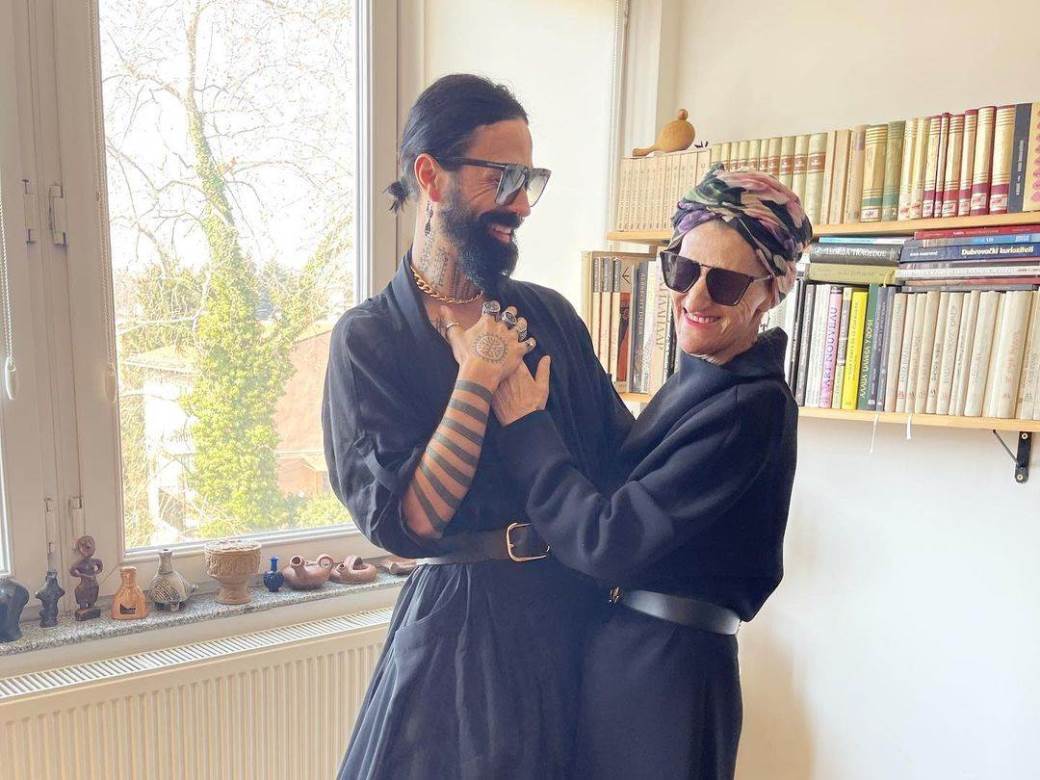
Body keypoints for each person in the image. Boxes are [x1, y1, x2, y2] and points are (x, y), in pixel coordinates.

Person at [322, 73, 632, 779]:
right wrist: (478, 379)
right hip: (461, 643)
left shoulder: (551, 317)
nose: (520, 204)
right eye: (502, 178)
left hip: (573, 617)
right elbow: (409, 521)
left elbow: (620, 459)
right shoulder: (371, 340)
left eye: (530, 181)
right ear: (430, 177)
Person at [492, 165, 811, 779]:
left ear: (770, 292)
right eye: (684, 271)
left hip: (667, 678)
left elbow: (607, 540)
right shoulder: (706, 380)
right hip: (636, 659)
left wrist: (527, 428)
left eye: (725, 283)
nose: (695, 298)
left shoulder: (750, 405)